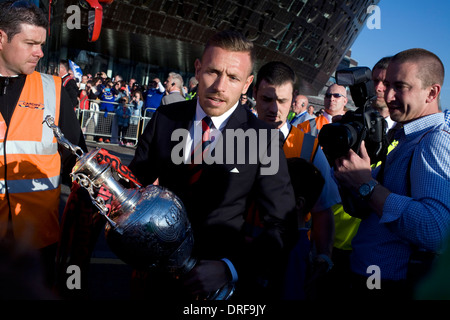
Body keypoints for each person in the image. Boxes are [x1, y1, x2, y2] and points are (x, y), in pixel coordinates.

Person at [128, 30, 297, 300]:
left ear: (246, 84)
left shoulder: (262, 139)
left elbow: (283, 225)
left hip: (217, 291)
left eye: (233, 78)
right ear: (197, 68)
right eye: (212, 72)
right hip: (155, 279)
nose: (219, 86)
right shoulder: (165, 119)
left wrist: (229, 268)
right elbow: (133, 187)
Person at [334, 48, 450, 299]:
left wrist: (367, 185)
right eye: (387, 85)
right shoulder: (407, 137)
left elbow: (435, 229)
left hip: (389, 287)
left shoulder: (433, 141)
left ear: (432, 92)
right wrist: (351, 177)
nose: (388, 95)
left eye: (400, 86)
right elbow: (366, 210)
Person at [0, 0, 87, 288]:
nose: (40, 52)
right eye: (30, 43)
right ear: (1, 38)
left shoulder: (54, 91)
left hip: (38, 242)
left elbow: (77, 159)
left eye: (41, 44)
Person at [252, 61, 340, 299]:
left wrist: (323, 255)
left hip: (288, 257)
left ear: (293, 101)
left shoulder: (310, 148)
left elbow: (323, 210)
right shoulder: (235, 140)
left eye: (281, 101)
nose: (274, 109)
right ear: (254, 96)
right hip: (240, 254)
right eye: (267, 99)